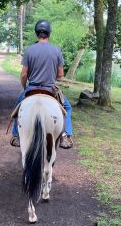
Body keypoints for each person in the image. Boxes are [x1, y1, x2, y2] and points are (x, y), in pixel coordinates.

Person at [10, 20, 74, 149]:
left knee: (17, 107)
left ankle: (16, 135)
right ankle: (65, 135)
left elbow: (23, 74)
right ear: (48, 33)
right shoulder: (56, 50)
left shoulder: (29, 50)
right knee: (67, 108)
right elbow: (61, 74)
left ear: (36, 34)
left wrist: (25, 88)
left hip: (32, 88)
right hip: (50, 89)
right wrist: (50, 76)